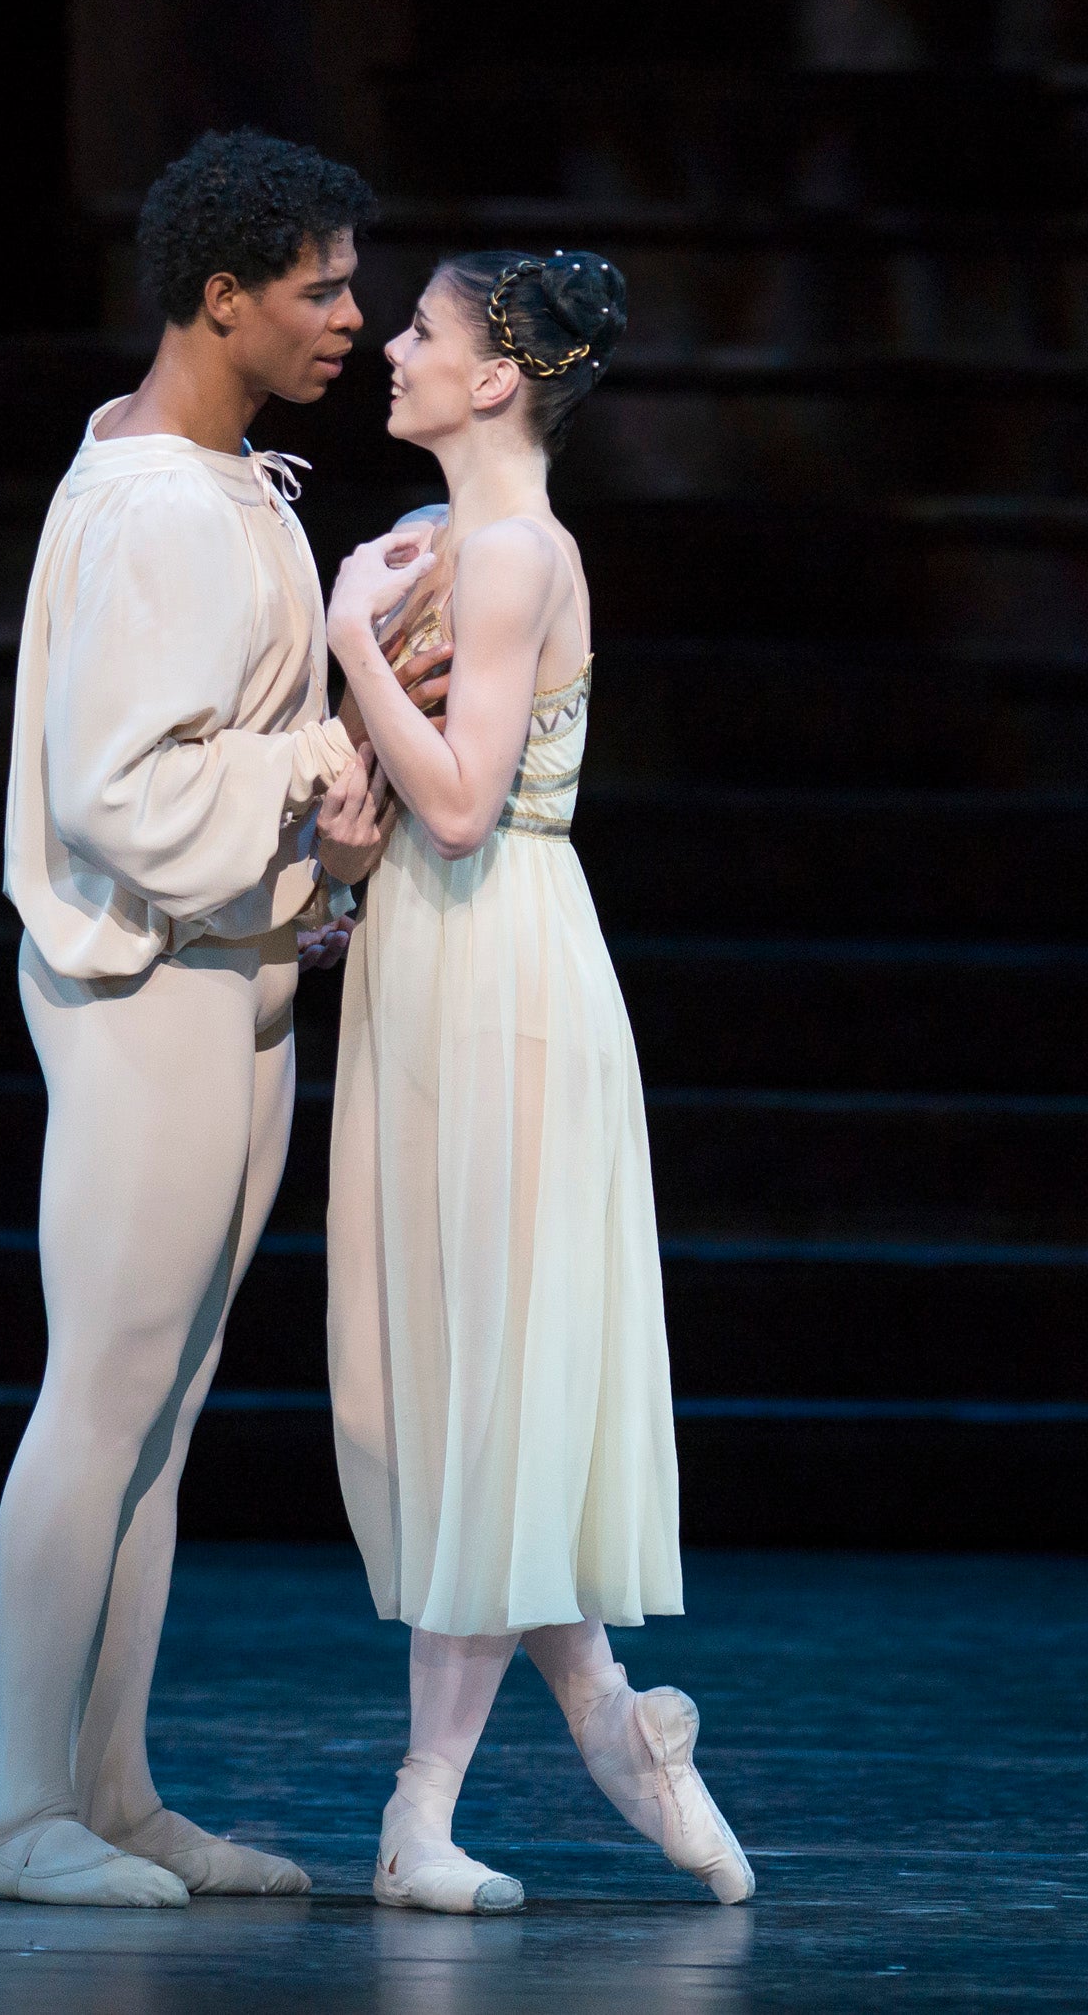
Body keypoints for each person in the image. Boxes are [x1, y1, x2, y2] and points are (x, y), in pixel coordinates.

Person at [316, 249, 755, 1914]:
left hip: (503, 967)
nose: (393, 352)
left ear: (496, 375)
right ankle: (621, 1734)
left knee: (491, 1371)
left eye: (420, 333)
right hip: (437, 967)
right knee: (456, 1380)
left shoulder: (511, 553)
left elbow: (456, 800)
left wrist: (350, 631)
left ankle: (421, 1812)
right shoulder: (452, 546)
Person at [0, 130, 375, 1908]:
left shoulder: (220, 489)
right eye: (322, 288)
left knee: (162, 1413)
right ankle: (20, 1812)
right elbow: (120, 791)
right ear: (223, 298)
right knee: (101, 1398)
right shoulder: (154, 504)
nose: (351, 318)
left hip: (231, 983)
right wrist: (320, 762)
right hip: (147, 989)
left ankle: (111, 1790)